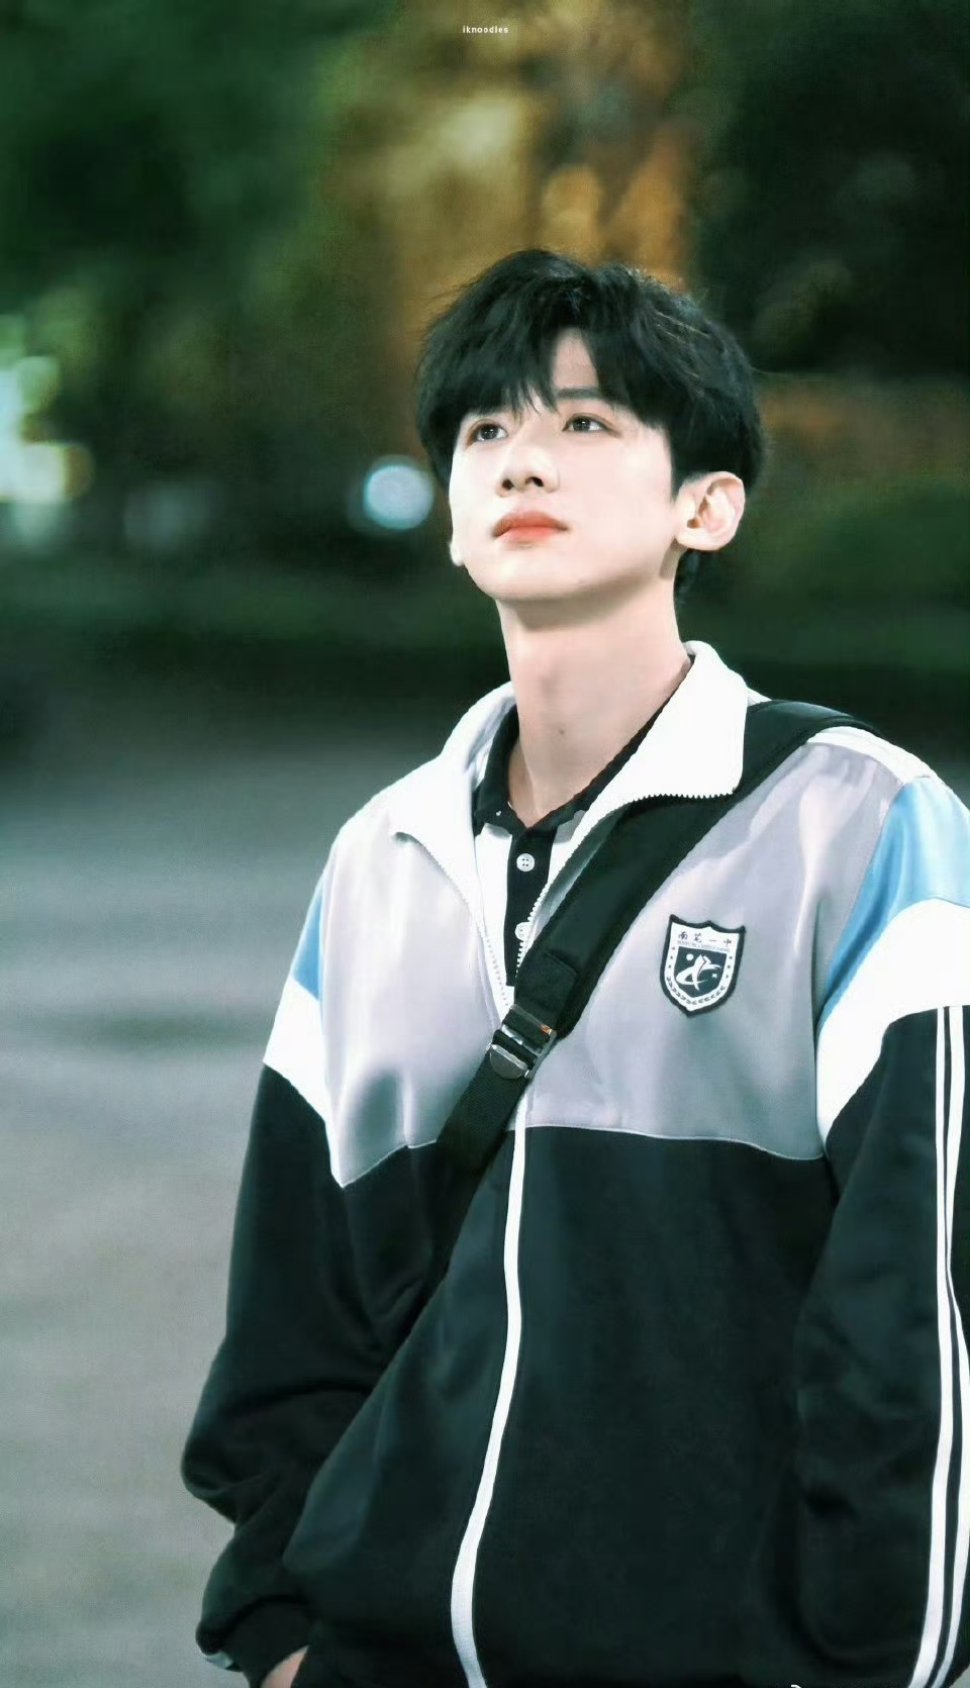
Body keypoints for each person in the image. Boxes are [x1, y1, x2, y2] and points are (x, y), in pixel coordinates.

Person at [182, 249, 970, 1688]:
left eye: (587, 422)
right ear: (450, 514)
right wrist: (283, 1628)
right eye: (486, 428)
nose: (522, 458)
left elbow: (912, 1318)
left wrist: (864, 1661)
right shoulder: (385, 856)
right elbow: (296, 1294)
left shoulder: (861, 824)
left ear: (704, 507)